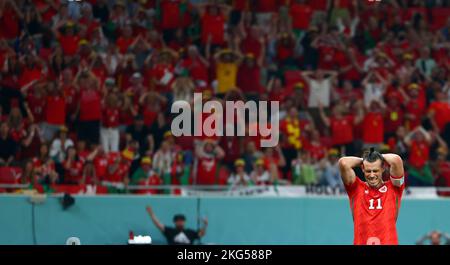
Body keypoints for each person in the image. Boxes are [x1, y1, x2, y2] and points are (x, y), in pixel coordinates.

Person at [338, 148, 405, 245]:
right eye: (368, 171)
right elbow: (343, 163)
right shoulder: (356, 188)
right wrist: (365, 160)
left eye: (375, 170)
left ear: (383, 168)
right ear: (363, 169)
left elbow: (396, 160)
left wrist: (377, 156)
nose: (372, 175)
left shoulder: (394, 188)